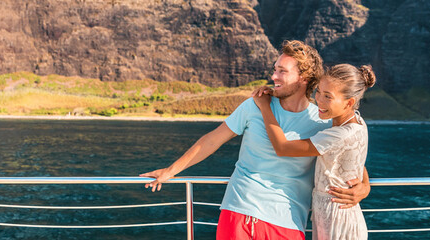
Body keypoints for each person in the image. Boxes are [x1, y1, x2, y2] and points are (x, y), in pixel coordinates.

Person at [140, 40, 370, 239]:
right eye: (274, 69)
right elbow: (212, 139)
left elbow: (345, 151)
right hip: (239, 211)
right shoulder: (253, 106)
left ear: (303, 78)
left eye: (282, 71)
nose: (273, 76)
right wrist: (171, 170)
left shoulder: (321, 119)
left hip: (287, 221)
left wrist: (364, 186)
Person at [251, 64, 376, 239]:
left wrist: (265, 107)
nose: (319, 100)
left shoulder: (338, 134)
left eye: (328, 96)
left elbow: (283, 148)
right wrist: (365, 184)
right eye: (318, 91)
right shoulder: (357, 123)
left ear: (349, 103)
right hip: (337, 215)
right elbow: (353, 158)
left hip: (336, 219)